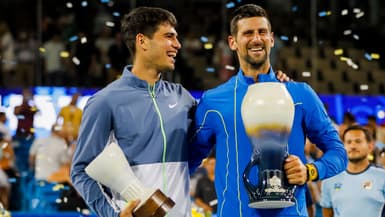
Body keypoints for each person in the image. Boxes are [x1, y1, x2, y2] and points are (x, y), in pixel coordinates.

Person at [71, 6, 290, 217]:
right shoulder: (105, 101)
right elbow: (81, 171)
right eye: (168, 36)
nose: (177, 44)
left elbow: (204, 141)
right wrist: (114, 214)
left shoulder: (183, 98)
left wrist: (269, 84)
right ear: (142, 41)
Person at [190, 4, 347, 217]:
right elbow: (188, 160)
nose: (256, 39)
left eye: (262, 32)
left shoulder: (299, 94)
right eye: (247, 33)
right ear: (232, 42)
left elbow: (338, 153)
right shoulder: (213, 101)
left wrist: (310, 171)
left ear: (271, 39)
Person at [320, 125, 385, 217]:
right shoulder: (329, 180)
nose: (353, 146)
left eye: (358, 141)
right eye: (348, 142)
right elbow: (327, 213)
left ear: (370, 147)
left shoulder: (382, 177)